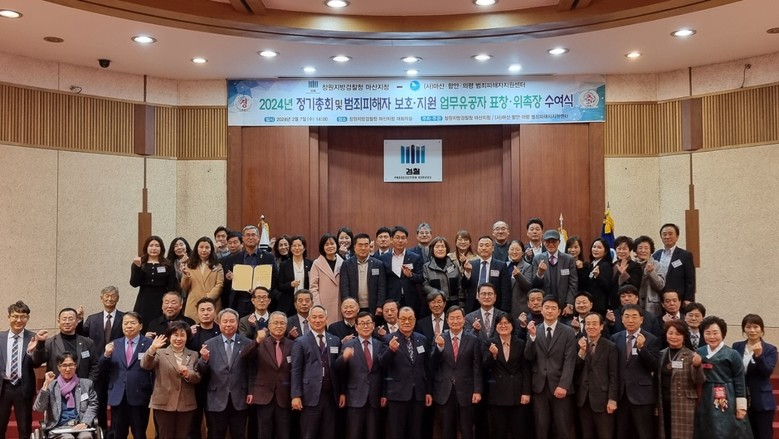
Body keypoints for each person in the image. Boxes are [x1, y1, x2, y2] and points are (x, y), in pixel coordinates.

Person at [523, 296, 578, 439]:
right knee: (541, 427)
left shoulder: (568, 331)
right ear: (541, 310)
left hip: (560, 386)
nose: (549, 311)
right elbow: (528, 357)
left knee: (563, 428)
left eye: (553, 308)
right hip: (540, 387)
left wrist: (563, 385)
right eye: (546, 307)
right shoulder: (534, 330)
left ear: (559, 311)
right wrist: (532, 337)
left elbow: (570, 360)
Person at [378, 306, 432, 439]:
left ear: (415, 320)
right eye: (403, 319)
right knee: (397, 432)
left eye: (410, 319)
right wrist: (391, 350)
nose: (407, 322)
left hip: (418, 394)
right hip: (397, 394)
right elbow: (382, 364)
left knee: (415, 432)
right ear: (397, 320)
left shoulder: (422, 339)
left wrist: (428, 391)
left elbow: (427, 367)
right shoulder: (388, 339)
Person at [694, 316, 753, 438]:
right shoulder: (699, 352)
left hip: (727, 395)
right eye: (708, 333)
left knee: (728, 429)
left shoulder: (732, 354)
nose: (712, 337)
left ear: (723, 334)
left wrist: (741, 407)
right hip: (705, 396)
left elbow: (739, 380)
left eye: (715, 333)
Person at [197, 308, 252, 439]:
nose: (228, 324)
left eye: (232, 321)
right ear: (219, 323)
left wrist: (251, 391)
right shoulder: (209, 344)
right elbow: (201, 371)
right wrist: (204, 359)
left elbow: (252, 370)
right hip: (216, 398)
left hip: (240, 398)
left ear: (237, 323)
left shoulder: (247, 343)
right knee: (215, 434)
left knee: (239, 434)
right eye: (225, 321)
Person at [141, 321, 201, 439]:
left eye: (182, 335)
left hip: (186, 403)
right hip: (163, 402)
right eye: (175, 335)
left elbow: (198, 377)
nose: (178, 338)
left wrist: (188, 374)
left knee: (182, 436)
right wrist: (152, 348)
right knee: (165, 435)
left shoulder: (193, 355)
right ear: (169, 337)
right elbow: (145, 365)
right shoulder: (160, 353)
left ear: (187, 337)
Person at [290, 305, 343, 439]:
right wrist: (296, 395)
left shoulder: (335, 340)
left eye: (321, 317)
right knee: (309, 433)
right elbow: (296, 370)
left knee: (329, 433)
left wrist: (342, 392)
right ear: (308, 319)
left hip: (330, 396)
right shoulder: (300, 341)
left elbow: (339, 370)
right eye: (314, 317)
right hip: (310, 396)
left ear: (326, 319)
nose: (318, 320)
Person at [99, 312, 154, 439]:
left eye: (132, 323)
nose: (128, 326)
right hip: (118, 396)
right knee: (118, 434)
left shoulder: (149, 344)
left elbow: (154, 370)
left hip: (140, 396)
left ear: (140, 326)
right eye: (125, 323)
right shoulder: (114, 344)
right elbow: (101, 368)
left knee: (139, 434)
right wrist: (106, 354)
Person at [75, 286, 124, 429]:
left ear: (118, 298)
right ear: (101, 298)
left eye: (113, 296)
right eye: (106, 296)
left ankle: (114, 432)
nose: (110, 299)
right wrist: (79, 320)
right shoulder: (92, 319)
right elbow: (82, 336)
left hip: (118, 367)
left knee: (117, 404)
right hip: (98, 367)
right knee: (99, 403)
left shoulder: (124, 317)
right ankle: (102, 432)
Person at [431, 306, 482, 439]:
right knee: (447, 430)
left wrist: (477, 390)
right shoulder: (440, 338)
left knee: (467, 429)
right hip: (445, 390)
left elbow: (477, 367)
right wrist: (439, 347)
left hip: (466, 389)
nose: (455, 321)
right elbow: (432, 364)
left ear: (464, 320)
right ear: (447, 320)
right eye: (452, 318)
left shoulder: (473, 339)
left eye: (458, 318)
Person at [610, 304, 661, 439]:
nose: (630, 320)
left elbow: (654, 366)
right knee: (622, 433)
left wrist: (641, 348)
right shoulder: (615, 338)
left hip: (642, 395)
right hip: (621, 395)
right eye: (627, 316)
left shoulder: (651, 339)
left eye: (634, 317)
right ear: (622, 319)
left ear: (641, 319)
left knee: (644, 433)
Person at [241, 311, 294, 439]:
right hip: (264, 395)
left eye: (282, 323)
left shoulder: (292, 344)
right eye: (275, 323)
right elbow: (244, 355)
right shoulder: (261, 343)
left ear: (286, 326)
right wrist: (257, 341)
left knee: (284, 433)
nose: (279, 326)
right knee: (264, 432)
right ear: (269, 326)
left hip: (284, 396)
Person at [335, 311, 386, 439]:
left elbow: (384, 372)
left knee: (373, 433)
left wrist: (384, 394)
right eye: (362, 323)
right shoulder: (348, 345)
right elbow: (338, 370)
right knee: (354, 433)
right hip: (355, 397)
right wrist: (344, 358)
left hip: (375, 397)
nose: (365, 326)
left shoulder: (380, 345)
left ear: (373, 325)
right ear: (356, 327)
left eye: (368, 323)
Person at [0, 301, 46, 439]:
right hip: (3, 388)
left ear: (27, 318)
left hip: (23, 387)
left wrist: (33, 350)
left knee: (25, 428)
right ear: (9, 317)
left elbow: (37, 364)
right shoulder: (0, 337)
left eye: (23, 316)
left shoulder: (34, 338)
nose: (19, 320)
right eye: (15, 316)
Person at [483, 314, 531, 439]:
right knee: (499, 431)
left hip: (517, 393)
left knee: (519, 431)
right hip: (497, 394)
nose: (503, 326)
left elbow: (525, 370)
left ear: (512, 326)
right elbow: (485, 367)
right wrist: (493, 355)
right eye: (500, 324)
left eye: (506, 323)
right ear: (496, 327)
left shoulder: (520, 343)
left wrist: (526, 392)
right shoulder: (489, 342)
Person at [33, 352, 98, 439]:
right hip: (58, 427)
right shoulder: (51, 386)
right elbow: (39, 408)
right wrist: (46, 384)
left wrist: (85, 422)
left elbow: (93, 405)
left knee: (86, 437)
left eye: (71, 365)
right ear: (58, 367)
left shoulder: (86, 384)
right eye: (64, 365)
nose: (68, 369)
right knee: (68, 438)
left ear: (75, 366)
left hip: (80, 426)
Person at [656, 319, 703, 439]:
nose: (673, 337)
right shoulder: (661, 354)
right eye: (670, 333)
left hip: (683, 404)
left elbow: (699, 381)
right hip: (664, 402)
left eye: (678, 334)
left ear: (684, 336)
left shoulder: (691, 355)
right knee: (665, 433)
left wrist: (697, 366)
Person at [575, 312, 618, 439]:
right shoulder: (578, 343)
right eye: (588, 324)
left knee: (605, 435)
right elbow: (574, 370)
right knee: (586, 434)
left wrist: (612, 399)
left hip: (603, 399)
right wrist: (581, 353)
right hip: (583, 399)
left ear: (601, 326)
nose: (591, 327)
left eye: (594, 324)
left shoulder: (610, 346)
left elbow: (614, 375)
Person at [732, 314, 776, 439]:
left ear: (762, 329)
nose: (752, 330)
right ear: (743, 329)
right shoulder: (737, 346)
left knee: (763, 434)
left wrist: (759, 356)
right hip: (741, 398)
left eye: (756, 327)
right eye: (748, 327)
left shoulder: (770, 349)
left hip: (762, 401)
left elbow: (767, 372)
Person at [221, 225, 278, 317]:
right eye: (247, 235)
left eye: (253, 235)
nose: (250, 237)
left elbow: (274, 278)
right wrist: (229, 278)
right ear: (243, 238)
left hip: (261, 301)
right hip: (240, 301)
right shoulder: (234, 258)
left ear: (258, 238)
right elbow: (226, 285)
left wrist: (260, 291)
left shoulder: (268, 257)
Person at [186, 297, 221, 439]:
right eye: (202, 310)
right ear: (197, 313)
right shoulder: (191, 333)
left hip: (216, 384)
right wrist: (188, 336)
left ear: (215, 312)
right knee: (193, 424)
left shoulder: (221, 330)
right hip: (195, 384)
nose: (206, 313)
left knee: (215, 425)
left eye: (209, 309)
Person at [33, 308, 99, 381]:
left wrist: (88, 383)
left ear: (77, 321)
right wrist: (40, 343)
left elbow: (95, 366)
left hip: (82, 385)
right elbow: (37, 362)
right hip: (57, 386)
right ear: (59, 322)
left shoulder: (88, 343)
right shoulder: (50, 343)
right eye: (64, 319)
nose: (67, 322)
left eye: (70, 319)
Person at [131, 235, 180, 328]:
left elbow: (171, 286)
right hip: (144, 299)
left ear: (161, 248)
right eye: (151, 245)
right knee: (142, 323)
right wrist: (137, 267)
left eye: (157, 246)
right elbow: (134, 283)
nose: (154, 248)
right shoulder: (140, 263)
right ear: (146, 248)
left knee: (160, 324)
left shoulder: (167, 264)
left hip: (161, 300)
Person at [527, 230, 577, 318]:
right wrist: (540, 273)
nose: (551, 244)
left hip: (564, 307)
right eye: (548, 242)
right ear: (544, 243)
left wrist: (569, 303)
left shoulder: (568, 259)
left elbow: (573, 283)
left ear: (559, 242)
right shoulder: (537, 259)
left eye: (554, 241)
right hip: (544, 307)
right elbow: (534, 286)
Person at [379, 226, 425, 316]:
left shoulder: (415, 257)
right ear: (391, 239)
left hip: (411, 299)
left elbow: (421, 278)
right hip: (391, 299)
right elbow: (381, 282)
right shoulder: (383, 258)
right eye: (397, 237)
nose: (400, 241)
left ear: (406, 240)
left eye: (403, 238)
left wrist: (411, 275)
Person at [340, 233, 387, 316]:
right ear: (354, 247)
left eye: (366, 245)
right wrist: (347, 305)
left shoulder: (378, 264)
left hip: (373, 306)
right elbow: (344, 286)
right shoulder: (347, 264)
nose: (363, 248)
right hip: (353, 307)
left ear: (370, 247)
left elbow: (381, 286)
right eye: (360, 245)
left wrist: (380, 305)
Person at [462, 235, 511, 312]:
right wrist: (467, 272)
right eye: (481, 245)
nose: (484, 248)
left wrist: (504, 310)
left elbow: (505, 290)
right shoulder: (471, 264)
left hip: (495, 306)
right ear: (478, 248)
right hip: (474, 305)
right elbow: (464, 286)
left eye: (487, 245)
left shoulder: (501, 265)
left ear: (493, 248)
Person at [652, 224, 696, 305]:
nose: (667, 237)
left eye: (670, 234)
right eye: (664, 234)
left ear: (677, 236)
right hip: (658, 299)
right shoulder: (656, 255)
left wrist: (688, 299)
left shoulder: (685, 255)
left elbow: (690, 280)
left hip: (678, 299)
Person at [182, 236, 224, 321]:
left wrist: (207, 298)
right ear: (196, 249)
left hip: (212, 303)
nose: (204, 250)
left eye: (207, 247)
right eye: (201, 247)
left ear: (211, 249)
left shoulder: (217, 266)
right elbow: (185, 287)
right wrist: (186, 276)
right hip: (194, 303)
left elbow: (219, 284)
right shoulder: (189, 265)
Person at [310, 233, 344, 320]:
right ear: (322, 247)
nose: (330, 246)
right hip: (323, 303)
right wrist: (317, 305)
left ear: (337, 245)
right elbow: (313, 287)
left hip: (340, 303)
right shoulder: (317, 263)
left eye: (332, 243)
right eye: (326, 244)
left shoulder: (343, 262)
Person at [277, 235, 312, 316]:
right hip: (289, 302)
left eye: (299, 245)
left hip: (305, 301)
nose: (297, 248)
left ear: (304, 248)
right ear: (290, 248)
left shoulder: (310, 264)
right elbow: (279, 286)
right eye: (294, 246)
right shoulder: (284, 265)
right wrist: (290, 284)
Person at [422, 236, 461, 309]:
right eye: (437, 247)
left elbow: (460, 285)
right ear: (432, 249)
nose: (440, 249)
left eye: (443, 246)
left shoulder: (454, 265)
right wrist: (439, 295)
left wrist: (461, 304)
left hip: (454, 304)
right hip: (435, 304)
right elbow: (425, 285)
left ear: (447, 249)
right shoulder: (426, 267)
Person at [633, 235, 665, 317]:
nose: (643, 250)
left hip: (651, 305)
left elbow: (660, 286)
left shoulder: (657, 265)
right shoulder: (632, 265)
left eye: (646, 248)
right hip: (635, 304)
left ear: (651, 250)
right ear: (635, 250)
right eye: (640, 248)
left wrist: (651, 272)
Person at [611, 236, 642, 306]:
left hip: (628, 303)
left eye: (624, 249)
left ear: (629, 250)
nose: (621, 251)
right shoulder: (613, 265)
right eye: (619, 248)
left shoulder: (635, 265)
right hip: (613, 302)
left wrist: (624, 273)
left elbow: (636, 284)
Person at [587, 237, 614, 315]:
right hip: (591, 303)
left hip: (599, 306)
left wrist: (598, 276)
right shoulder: (592, 264)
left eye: (599, 248)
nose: (595, 249)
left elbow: (607, 285)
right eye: (594, 247)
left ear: (605, 251)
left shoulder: (605, 265)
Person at [507, 239, 533, 316]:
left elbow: (528, 287)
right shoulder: (505, 266)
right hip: (505, 307)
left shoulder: (527, 267)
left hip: (520, 308)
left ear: (523, 252)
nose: (514, 252)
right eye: (512, 249)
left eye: (517, 250)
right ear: (508, 251)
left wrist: (518, 276)